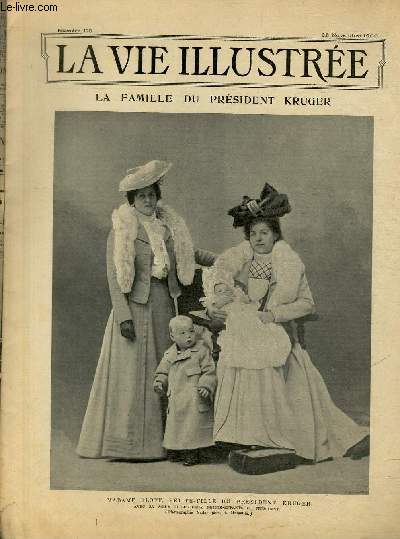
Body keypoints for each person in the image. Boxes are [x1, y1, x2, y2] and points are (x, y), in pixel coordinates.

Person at [206, 183, 369, 462]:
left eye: (265, 232)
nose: (259, 238)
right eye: (254, 233)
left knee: (290, 380)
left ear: (275, 234)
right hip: (249, 331)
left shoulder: (289, 262)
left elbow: (307, 304)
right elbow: (222, 277)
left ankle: (282, 438)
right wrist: (222, 298)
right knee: (241, 360)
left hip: (279, 331)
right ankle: (250, 436)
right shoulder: (241, 261)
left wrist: (273, 316)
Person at [77, 160, 215, 460]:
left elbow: (189, 255)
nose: (148, 200)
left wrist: (225, 260)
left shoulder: (167, 227)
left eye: (152, 194)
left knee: (168, 371)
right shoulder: (123, 230)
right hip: (135, 307)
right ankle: (130, 445)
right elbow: (115, 277)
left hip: (164, 303)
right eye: (142, 196)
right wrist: (124, 317)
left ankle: (171, 442)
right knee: (131, 375)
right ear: (132, 200)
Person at [153, 315, 217, 466]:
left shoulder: (201, 351)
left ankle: (192, 453)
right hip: (176, 399)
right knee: (176, 427)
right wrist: (159, 382)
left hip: (193, 398)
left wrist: (205, 385)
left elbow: (209, 371)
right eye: (182, 333)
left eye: (191, 331)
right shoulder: (169, 355)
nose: (188, 336)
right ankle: (176, 450)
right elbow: (162, 371)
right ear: (172, 336)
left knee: (193, 427)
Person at [201, 266, 292, 369]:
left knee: (261, 325)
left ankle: (261, 342)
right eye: (220, 291)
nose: (224, 292)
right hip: (232, 316)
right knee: (242, 329)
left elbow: (247, 302)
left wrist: (239, 297)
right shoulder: (216, 300)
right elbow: (212, 307)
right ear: (215, 294)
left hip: (245, 312)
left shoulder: (236, 296)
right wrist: (222, 301)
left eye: (227, 289)